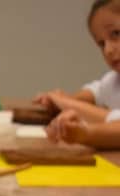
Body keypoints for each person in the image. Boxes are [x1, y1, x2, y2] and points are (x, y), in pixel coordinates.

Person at [42, 0, 120, 149]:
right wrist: (62, 100)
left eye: (116, 33)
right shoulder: (114, 79)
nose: (108, 50)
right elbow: (96, 91)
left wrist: (86, 133)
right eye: (101, 44)